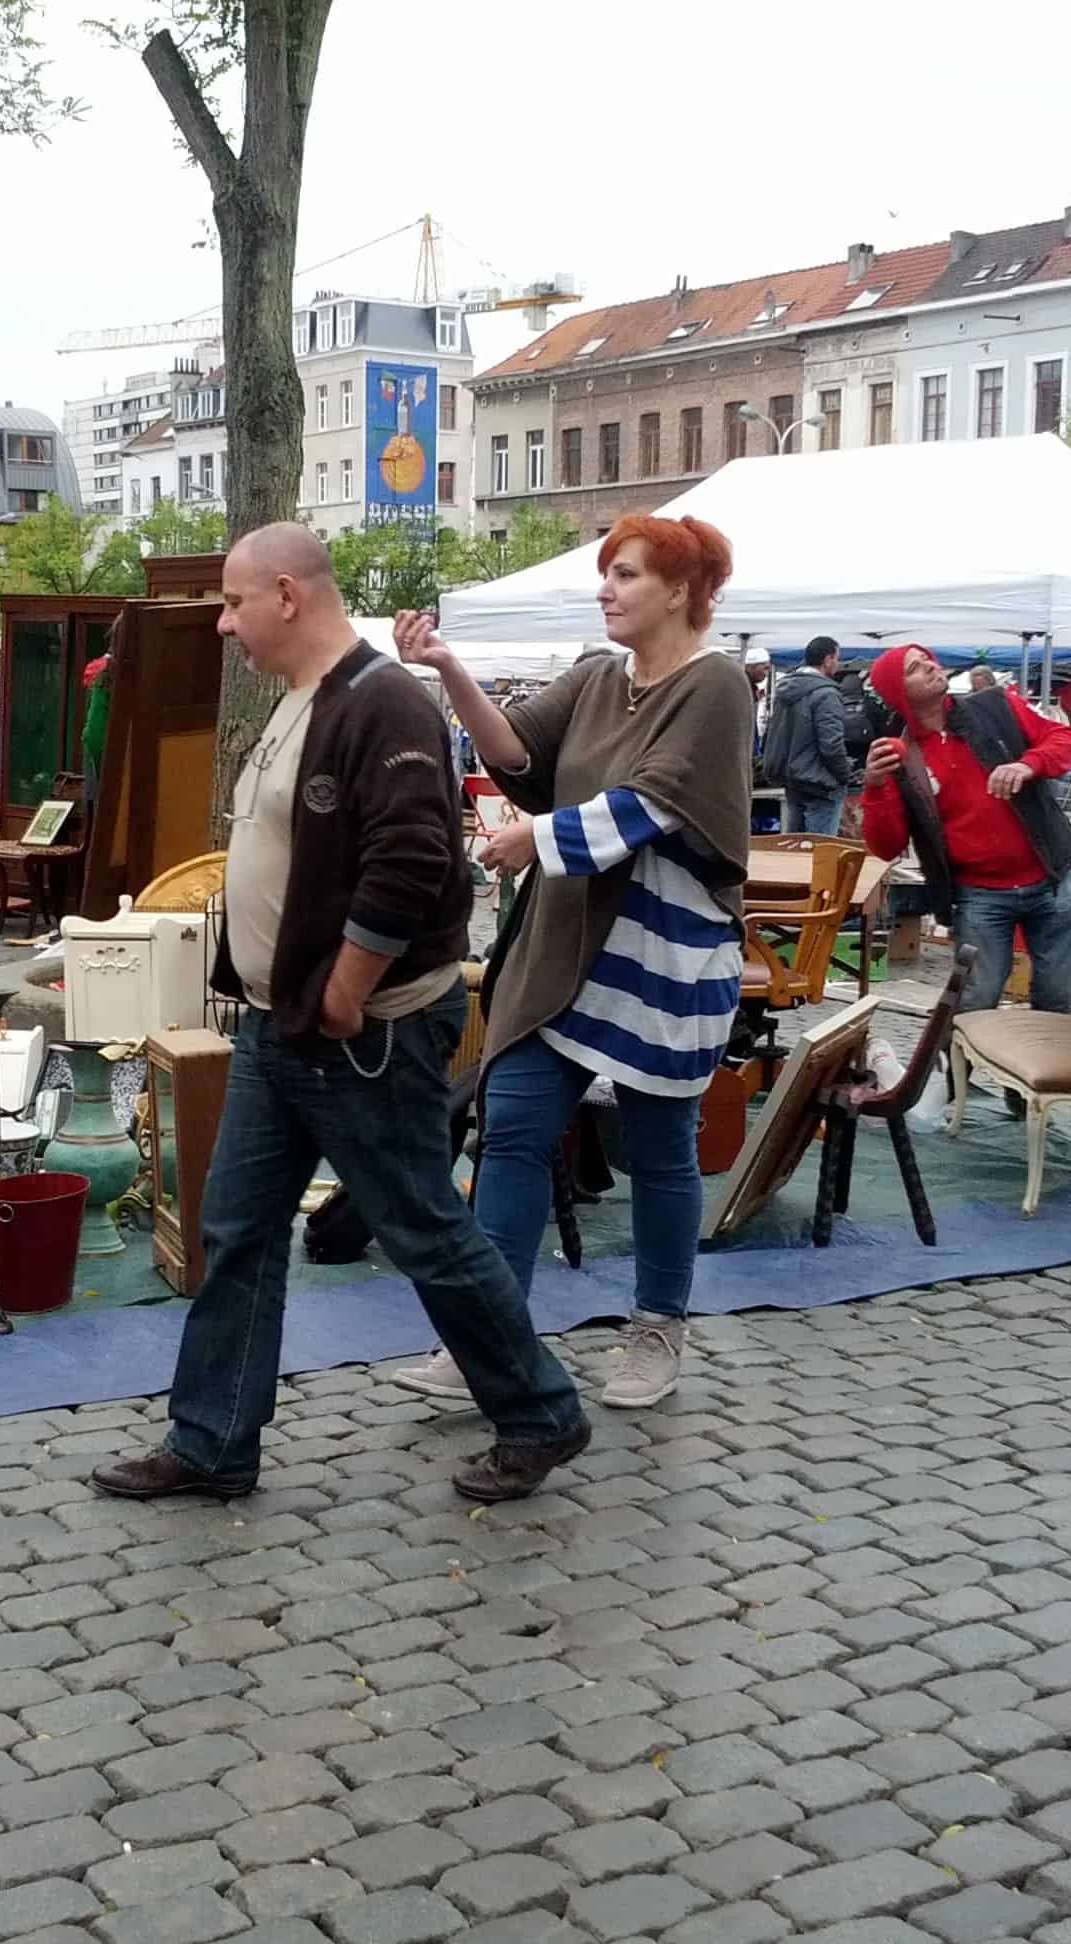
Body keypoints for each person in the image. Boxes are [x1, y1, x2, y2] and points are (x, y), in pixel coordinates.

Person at [89, 524, 590, 1506]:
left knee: (421, 1228)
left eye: (234, 603)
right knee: (236, 1226)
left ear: (287, 594)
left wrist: (349, 986)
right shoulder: (304, 703)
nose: (226, 625)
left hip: (365, 1032)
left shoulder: (384, 700)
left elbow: (413, 861)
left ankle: (538, 1412)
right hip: (291, 1029)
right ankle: (213, 1440)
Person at [391, 516, 751, 1411]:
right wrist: (447, 669)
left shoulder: (717, 685)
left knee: (661, 1147)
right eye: (607, 575)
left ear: (680, 590)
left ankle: (657, 1330)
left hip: (662, 955)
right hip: (562, 945)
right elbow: (515, 751)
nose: (607, 590)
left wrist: (531, 838)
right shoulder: (596, 677)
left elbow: (653, 803)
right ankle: (488, 1339)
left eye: (625, 575)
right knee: (509, 1129)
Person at [862, 643, 1071, 1015]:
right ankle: (961, 1074)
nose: (932, 667)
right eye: (916, 668)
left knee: (1058, 1002)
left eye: (928, 659)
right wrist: (874, 784)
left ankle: (1042, 1074)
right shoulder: (900, 753)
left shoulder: (994, 706)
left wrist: (1029, 764)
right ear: (898, 692)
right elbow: (887, 846)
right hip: (980, 895)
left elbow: (1064, 740)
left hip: (1051, 878)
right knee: (974, 1005)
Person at [763, 635, 853, 836]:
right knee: (820, 853)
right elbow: (831, 744)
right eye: (837, 658)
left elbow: (773, 734)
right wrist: (844, 774)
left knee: (796, 852)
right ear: (828, 659)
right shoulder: (826, 694)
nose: (838, 664)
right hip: (820, 784)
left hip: (792, 780)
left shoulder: (785, 690)